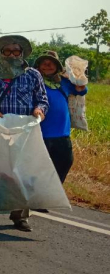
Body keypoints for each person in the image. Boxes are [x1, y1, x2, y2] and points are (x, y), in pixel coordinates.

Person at [0, 35, 49, 231]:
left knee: (21, 175)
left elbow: (42, 100)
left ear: (22, 53)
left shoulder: (33, 75)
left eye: (15, 51)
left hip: (24, 133)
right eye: (7, 51)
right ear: (1, 54)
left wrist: (39, 111)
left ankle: (19, 216)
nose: (11, 55)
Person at [34, 50, 86, 183]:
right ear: (38, 66)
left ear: (57, 66)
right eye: (44, 63)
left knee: (64, 163)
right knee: (39, 170)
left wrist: (76, 76)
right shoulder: (33, 81)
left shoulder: (64, 82)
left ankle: (53, 195)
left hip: (62, 135)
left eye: (51, 63)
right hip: (40, 135)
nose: (47, 65)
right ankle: (40, 197)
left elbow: (81, 89)